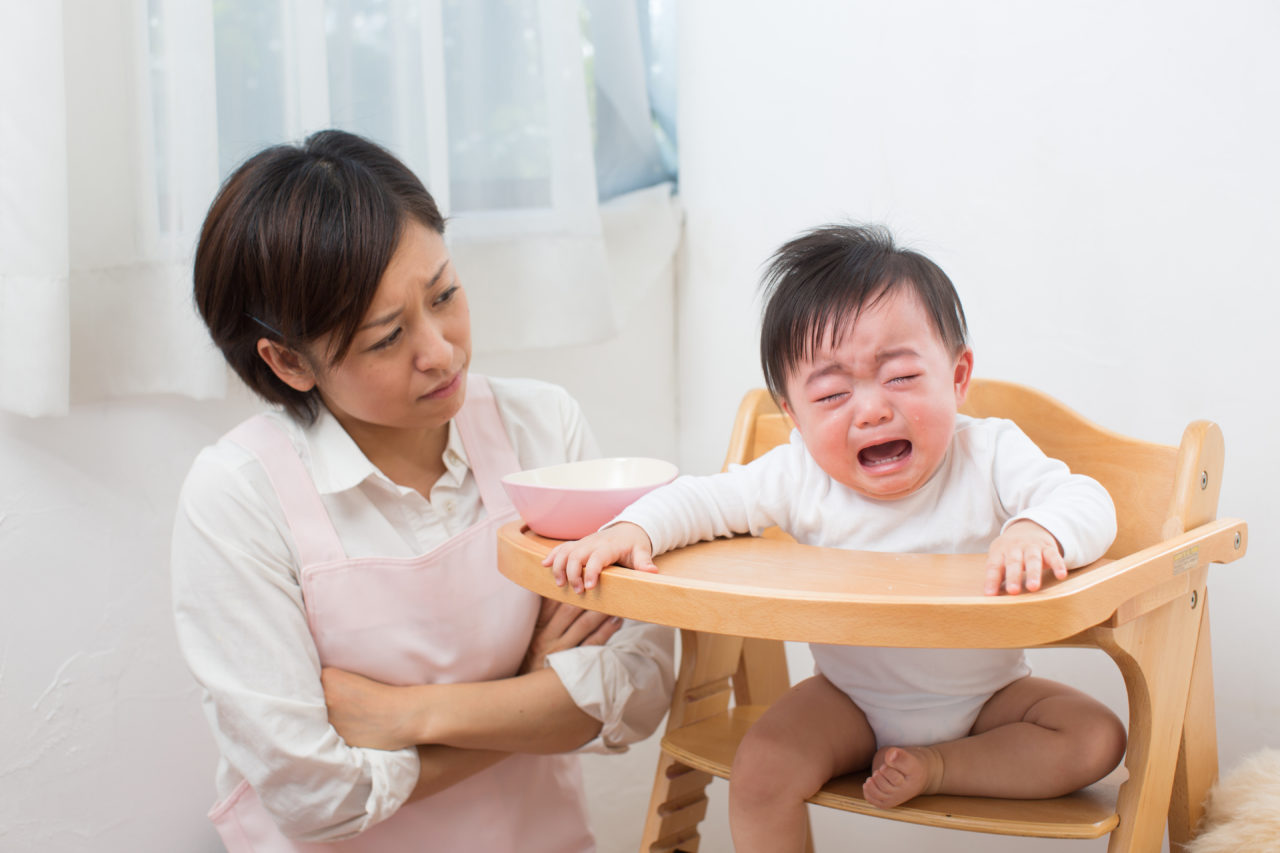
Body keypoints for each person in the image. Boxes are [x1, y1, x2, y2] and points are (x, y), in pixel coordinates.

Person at [544, 224, 1128, 852]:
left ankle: (940, 768)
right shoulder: (797, 473)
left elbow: (1087, 500)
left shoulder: (988, 453)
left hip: (990, 699)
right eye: (831, 392)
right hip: (848, 701)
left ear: (958, 378)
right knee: (761, 770)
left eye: (901, 377)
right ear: (792, 416)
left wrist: (1037, 528)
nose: (872, 409)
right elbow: (704, 499)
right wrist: (632, 528)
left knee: (1096, 738)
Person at [171, 129, 674, 852]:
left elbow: (639, 683)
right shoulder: (238, 498)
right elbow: (316, 797)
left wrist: (406, 713)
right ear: (288, 361)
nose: (440, 350)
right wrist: (530, 694)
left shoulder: (542, 428)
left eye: (444, 294)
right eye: (385, 337)